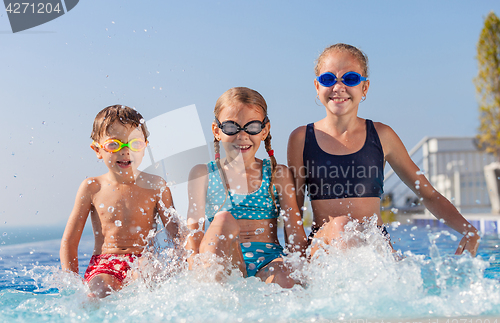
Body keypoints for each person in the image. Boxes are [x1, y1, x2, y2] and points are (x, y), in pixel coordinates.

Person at [287, 43, 480, 257]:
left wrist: (468, 229)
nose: (338, 87)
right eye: (328, 79)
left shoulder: (382, 135)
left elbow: (427, 194)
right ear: (317, 86)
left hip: (374, 245)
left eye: (350, 79)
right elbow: (293, 208)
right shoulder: (302, 138)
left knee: (388, 255)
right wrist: (297, 260)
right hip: (324, 247)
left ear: (365, 87)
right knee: (342, 225)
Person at [185, 87, 308, 288]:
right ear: (217, 131)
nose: (242, 136)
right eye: (231, 128)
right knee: (223, 219)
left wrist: (302, 274)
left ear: (264, 130)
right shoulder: (203, 174)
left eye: (251, 127)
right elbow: (193, 234)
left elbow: (294, 231)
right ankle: (211, 291)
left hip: (268, 261)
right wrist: (193, 273)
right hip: (223, 259)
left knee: (286, 281)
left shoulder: (277, 174)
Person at [60, 105, 178, 298]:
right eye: (114, 144)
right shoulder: (92, 187)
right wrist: (71, 285)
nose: (125, 151)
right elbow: (70, 241)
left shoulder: (156, 185)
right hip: (104, 263)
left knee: (148, 274)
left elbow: (176, 234)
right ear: (98, 150)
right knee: (99, 292)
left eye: (135, 144)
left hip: (143, 260)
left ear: (145, 147)